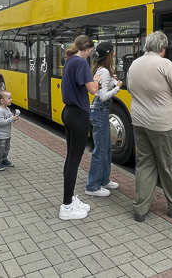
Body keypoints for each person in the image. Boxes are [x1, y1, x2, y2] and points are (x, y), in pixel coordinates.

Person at [128, 30, 172, 222]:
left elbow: (131, 88)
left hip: (140, 123)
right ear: (162, 48)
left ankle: (140, 208)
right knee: (170, 167)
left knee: (144, 164)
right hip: (165, 125)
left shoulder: (134, 64)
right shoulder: (164, 64)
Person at [59, 35, 100, 220]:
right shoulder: (81, 63)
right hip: (78, 115)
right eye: (91, 49)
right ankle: (66, 206)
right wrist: (97, 79)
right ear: (86, 48)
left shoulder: (69, 61)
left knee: (70, 158)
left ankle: (70, 198)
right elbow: (92, 89)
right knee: (75, 160)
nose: (92, 52)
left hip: (68, 112)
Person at [85, 42, 122, 197]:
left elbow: (101, 88)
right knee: (100, 150)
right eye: (112, 54)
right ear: (108, 55)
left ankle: (104, 179)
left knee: (106, 147)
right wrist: (117, 87)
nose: (114, 56)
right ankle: (92, 186)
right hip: (100, 111)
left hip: (99, 111)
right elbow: (102, 95)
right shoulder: (104, 71)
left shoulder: (101, 70)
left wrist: (113, 81)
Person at [0, 90, 19, 171]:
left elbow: (9, 119)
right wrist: (11, 118)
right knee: (0, 149)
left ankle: (4, 159)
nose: (11, 100)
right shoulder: (0, 111)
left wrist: (14, 118)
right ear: (2, 101)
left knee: (7, 148)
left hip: (7, 134)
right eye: (9, 98)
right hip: (1, 135)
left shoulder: (7, 109)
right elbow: (1, 123)